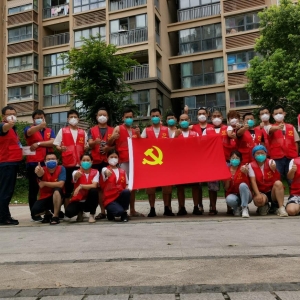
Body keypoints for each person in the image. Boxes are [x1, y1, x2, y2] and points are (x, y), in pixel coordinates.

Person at [108, 108, 143, 217]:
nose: (129, 119)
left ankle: (132, 210)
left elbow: (141, 145)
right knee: (123, 186)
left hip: (133, 162)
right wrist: (113, 137)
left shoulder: (134, 131)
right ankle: (122, 209)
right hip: (123, 162)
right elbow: (110, 144)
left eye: (131, 117)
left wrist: (139, 135)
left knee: (132, 186)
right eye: (126, 117)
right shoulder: (118, 128)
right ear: (123, 118)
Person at [141, 108, 174, 217]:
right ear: (151, 117)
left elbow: (173, 143)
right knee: (150, 187)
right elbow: (139, 144)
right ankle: (152, 208)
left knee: (167, 187)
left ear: (161, 117)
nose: (155, 117)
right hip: (151, 163)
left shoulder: (167, 130)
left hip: (164, 163)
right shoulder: (146, 130)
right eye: (153, 116)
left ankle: (167, 208)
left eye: (157, 115)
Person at [24, 109, 55, 222]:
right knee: (34, 188)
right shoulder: (29, 128)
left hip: (47, 163)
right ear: (33, 119)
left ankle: (48, 210)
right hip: (33, 163)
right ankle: (34, 212)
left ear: (44, 118)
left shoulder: (49, 130)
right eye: (37, 117)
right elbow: (29, 133)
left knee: (47, 187)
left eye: (41, 117)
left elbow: (53, 142)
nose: (39, 119)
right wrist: (39, 126)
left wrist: (38, 144)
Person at [53, 109, 88, 209]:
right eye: (71, 117)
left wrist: (86, 147)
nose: (73, 119)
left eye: (75, 117)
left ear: (78, 119)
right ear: (68, 119)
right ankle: (67, 210)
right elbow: (57, 145)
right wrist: (61, 148)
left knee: (80, 187)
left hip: (80, 164)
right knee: (68, 188)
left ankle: (79, 210)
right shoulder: (63, 131)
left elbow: (86, 146)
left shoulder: (82, 132)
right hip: (68, 163)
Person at [88, 108, 114, 220]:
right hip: (96, 162)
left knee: (109, 186)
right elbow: (89, 145)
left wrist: (109, 148)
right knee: (98, 188)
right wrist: (95, 142)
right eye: (100, 115)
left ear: (107, 117)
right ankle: (102, 211)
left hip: (109, 162)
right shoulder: (92, 130)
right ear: (96, 116)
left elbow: (116, 145)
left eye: (104, 114)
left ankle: (110, 209)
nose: (102, 116)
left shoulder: (113, 130)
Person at [201, 110, 228, 215]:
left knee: (227, 185)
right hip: (212, 162)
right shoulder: (207, 130)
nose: (216, 118)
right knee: (212, 187)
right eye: (214, 116)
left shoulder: (228, 128)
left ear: (222, 117)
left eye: (218, 116)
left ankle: (229, 207)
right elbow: (202, 144)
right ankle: (213, 207)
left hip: (226, 160)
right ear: (211, 119)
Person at [173, 114, 201, 215]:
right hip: (180, 165)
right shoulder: (175, 134)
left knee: (195, 187)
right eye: (182, 120)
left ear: (189, 121)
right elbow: (171, 148)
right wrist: (175, 137)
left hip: (192, 164)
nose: (184, 121)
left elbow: (199, 148)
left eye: (185, 119)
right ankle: (181, 208)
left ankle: (196, 207)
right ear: (179, 122)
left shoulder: (195, 134)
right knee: (180, 187)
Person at [249, 145, 288, 217]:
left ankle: (281, 207)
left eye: (262, 153)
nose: (260, 155)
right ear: (254, 155)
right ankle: (264, 206)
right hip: (261, 191)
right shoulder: (251, 165)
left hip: (272, 190)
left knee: (278, 183)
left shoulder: (271, 162)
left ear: (266, 154)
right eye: (257, 153)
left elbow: (273, 166)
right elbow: (253, 181)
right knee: (258, 201)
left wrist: (274, 167)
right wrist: (258, 194)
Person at [0, 106, 23, 225]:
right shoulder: (3, 126)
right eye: (9, 114)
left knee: (7, 191)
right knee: (5, 191)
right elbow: (4, 128)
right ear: (4, 116)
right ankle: (3, 218)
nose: (12, 116)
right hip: (6, 163)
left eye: (14, 114)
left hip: (12, 162)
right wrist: (9, 124)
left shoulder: (14, 129)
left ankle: (5, 215)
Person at [266, 105, 299, 184]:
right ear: (273, 116)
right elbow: (270, 130)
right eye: (276, 114)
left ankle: (294, 195)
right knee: (277, 179)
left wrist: (296, 156)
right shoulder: (270, 127)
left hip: (291, 157)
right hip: (277, 157)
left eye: (280, 113)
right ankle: (277, 195)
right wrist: (277, 127)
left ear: (284, 113)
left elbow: (296, 142)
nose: (278, 115)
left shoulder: (291, 127)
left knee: (292, 179)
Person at [31, 153, 66, 225]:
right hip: (45, 196)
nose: (51, 161)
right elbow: (40, 174)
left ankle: (55, 216)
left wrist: (45, 183)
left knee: (57, 189)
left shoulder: (61, 168)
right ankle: (48, 213)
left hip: (58, 196)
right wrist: (38, 171)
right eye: (48, 159)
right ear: (45, 161)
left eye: (53, 159)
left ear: (57, 160)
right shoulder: (42, 169)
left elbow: (61, 184)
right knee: (35, 212)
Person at [65, 153, 99, 223]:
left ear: (91, 162)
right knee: (69, 212)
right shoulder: (75, 172)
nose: (85, 162)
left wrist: (81, 186)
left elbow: (94, 185)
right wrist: (77, 175)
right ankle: (80, 212)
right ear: (80, 162)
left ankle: (92, 215)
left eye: (88, 160)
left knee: (94, 191)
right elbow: (75, 177)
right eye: (83, 160)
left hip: (89, 201)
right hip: (78, 200)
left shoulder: (96, 172)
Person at [100, 149, 130, 222]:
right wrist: (107, 172)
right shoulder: (105, 169)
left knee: (126, 192)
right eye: (111, 157)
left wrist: (128, 189)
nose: (113, 158)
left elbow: (126, 184)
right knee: (118, 212)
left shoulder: (122, 171)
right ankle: (111, 212)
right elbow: (104, 171)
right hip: (109, 199)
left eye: (115, 157)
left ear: (118, 159)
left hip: (120, 197)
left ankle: (124, 212)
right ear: (107, 159)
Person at [224, 150, 252, 218]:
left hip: (246, 195)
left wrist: (246, 171)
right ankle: (237, 208)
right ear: (229, 159)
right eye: (233, 158)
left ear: (240, 160)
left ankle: (245, 208)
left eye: (237, 158)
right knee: (229, 199)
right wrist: (227, 180)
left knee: (242, 185)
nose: (235, 160)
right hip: (233, 195)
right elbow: (226, 188)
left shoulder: (243, 168)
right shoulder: (226, 170)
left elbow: (247, 170)